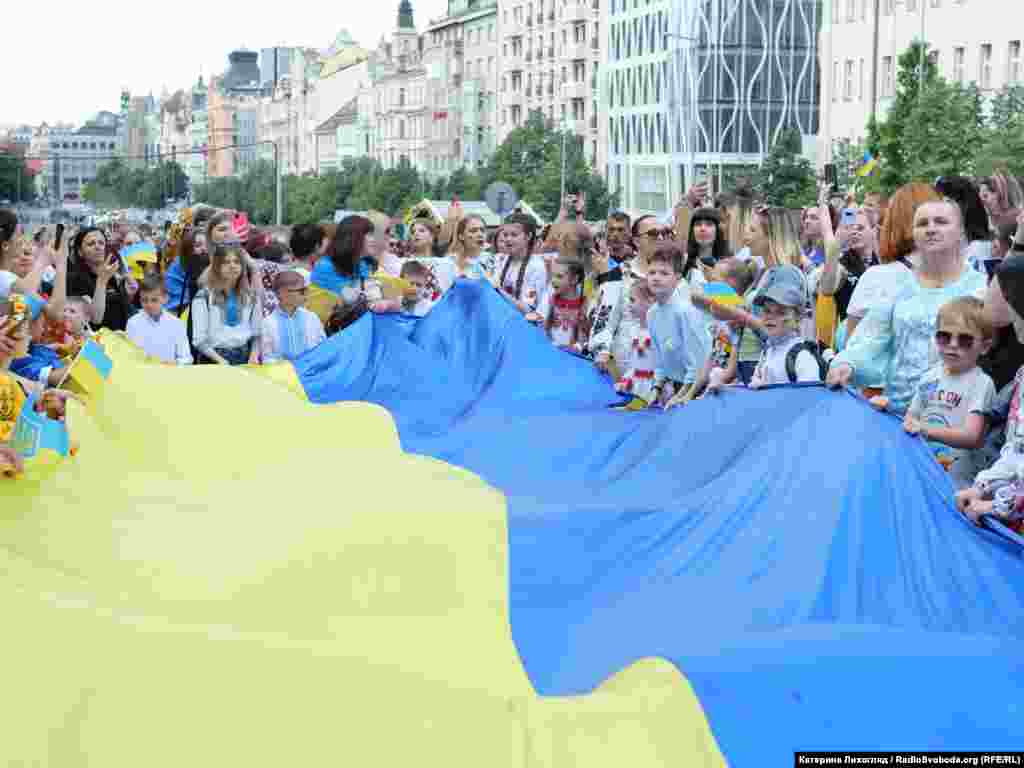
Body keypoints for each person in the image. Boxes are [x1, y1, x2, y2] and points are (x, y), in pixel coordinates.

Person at [826, 199, 988, 414]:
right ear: (913, 234)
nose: (930, 229)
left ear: (960, 232)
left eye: (941, 222)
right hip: (899, 414)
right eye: (922, 223)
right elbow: (871, 338)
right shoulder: (897, 286)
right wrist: (846, 364)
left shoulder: (980, 287)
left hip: (957, 420)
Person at [903, 296, 994, 489]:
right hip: (921, 469)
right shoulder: (928, 377)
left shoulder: (981, 383)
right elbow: (910, 419)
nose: (953, 344)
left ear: (985, 346)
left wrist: (925, 430)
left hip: (957, 481)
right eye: (944, 337)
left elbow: (972, 437)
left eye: (965, 340)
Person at [646, 243, 712, 409]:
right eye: (652, 272)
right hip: (678, 385)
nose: (656, 278)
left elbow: (698, 362)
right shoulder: (652, 313)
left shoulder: (685, 311)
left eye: (664, 273)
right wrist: (656, 389)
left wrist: (682, 396)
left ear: (678, 278)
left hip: (700, 387)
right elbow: (660, 359)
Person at [687, 257, 756, 400]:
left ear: (730, 284)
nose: (709, 284)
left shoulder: (737, 318)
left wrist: (709, 391)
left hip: (729, 392)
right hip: (714, 388)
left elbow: (731, 369)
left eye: (714, 279)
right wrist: (690, 394)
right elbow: (712, 358)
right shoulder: (721, 319)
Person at [745, 266, 822, 388]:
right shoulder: (767, 351)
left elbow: (810, 399)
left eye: (781, 312)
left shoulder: (802, 356)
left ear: (798, 318)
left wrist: (768, 391)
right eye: (767, 310)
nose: (771, 317)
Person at [190, 243, 262, 366]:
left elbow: (257, 333)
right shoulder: (204, 296)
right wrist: (221, 361)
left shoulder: (252, 296)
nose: (232, 266)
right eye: (226, 262)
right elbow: (199, 340)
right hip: (213, 359)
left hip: (246, 358)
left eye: (236, 262)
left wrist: (254, 355)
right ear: (217, 267)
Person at [307, 215, 384, 327]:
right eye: (369, 235)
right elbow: (352, 300)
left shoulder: (365, 264)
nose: (374, 240)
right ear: (354, 237)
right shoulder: (325, 267)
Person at [67, 227, 135, 331]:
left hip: (120, 339)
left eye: (101, 243)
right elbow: (95, 319)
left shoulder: (112, 275)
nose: (97, 247)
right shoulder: (73, 279)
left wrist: (129, 295)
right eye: (91, 244)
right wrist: (101, 281)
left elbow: (123, 310)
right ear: (80, 252)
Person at [260, 270, 326, 363]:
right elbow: (267, 358)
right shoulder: (268, 323)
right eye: (301, 291)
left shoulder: (312, 318)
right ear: (281, 293)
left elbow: (322, 349)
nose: (305, 294)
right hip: (283, 375)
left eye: (306, 290)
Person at [126, 275, 192, 365]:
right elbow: (129, 357)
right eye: (144, 300)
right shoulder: (133, 323)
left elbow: (187, 357)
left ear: (165, 298)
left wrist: (176, 363)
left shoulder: (177, 324)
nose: (149, 304)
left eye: (154, 300)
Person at [490, 214, 547, 316]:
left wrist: (498, 290)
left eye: (514, 235)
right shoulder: (501, 259)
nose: (508, 239)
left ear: (528, 236)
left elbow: (528, 309)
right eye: (505, 235)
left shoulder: (536, 267)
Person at [614, 277, 658, 404]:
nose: (628, 304)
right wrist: (626, 381)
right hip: (636, 387)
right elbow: (634, 365)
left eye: (632, 300)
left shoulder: (658, 332)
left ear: (650, 301)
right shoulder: (634, 331)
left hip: (651, 388)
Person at [531, 255, 586, 351]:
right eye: (552, 276)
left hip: (572, 357)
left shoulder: (583, 304)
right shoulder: (552, 300)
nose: (553, 280)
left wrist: (577, 347)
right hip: (553, 352)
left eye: (559, 276)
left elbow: (584, 335)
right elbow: (546, 328)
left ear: (574, 279)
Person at [407, 218, 457, 301]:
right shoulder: (408, 261)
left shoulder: (444, 258)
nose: (416, 233)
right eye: (413, 232)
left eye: (421, 231)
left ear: (432, 236)